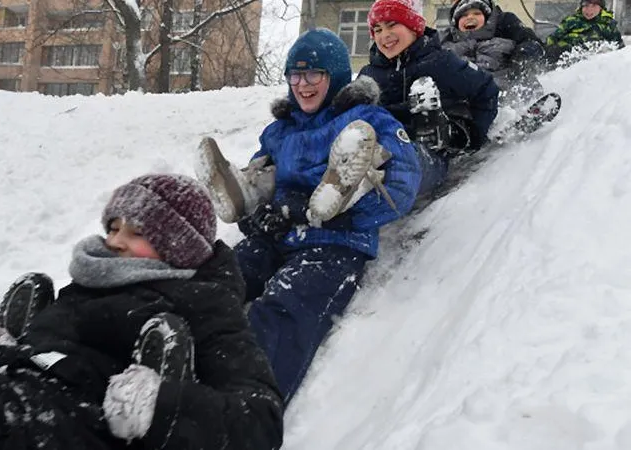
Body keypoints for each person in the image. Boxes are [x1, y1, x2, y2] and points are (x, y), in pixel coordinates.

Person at [0, 174, 284, 450]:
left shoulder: (206, 304)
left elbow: (260, 420)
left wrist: (158, 405)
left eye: (136, 231)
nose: (115, 241)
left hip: (71, 426)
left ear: (177, 247)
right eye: (113, 226)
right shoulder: (93, 279)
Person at [196, 28, 422, 405]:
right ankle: (246, 194)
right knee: (217, 284)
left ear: (334, 76)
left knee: (282, 309)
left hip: (336, 240)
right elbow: (267, 165)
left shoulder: (369, 118)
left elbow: (404, 183)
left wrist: (339, 217)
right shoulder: (280, 129)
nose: (302, 84)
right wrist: (257, 217)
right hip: (279, 231)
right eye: (295, 75)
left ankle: (242, 409)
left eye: (313, 74)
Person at [358, 0, 500, 194]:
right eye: (377, 29)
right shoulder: (370, 74)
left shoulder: (440, 62)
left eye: (392, 25)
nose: (385, 35)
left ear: (413, 27)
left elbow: (486, 90)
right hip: (380, 149)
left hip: (427, 155)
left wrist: (473, 134)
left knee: (406, 163)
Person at [440, 0, 545, 104]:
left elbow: (531, 43)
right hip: (464, 101)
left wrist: (521, 57)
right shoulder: (447, 43)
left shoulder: (504, 26)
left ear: (487, 18)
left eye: (477, 13)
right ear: (456, 23)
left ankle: (528, 106)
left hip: (504, 89)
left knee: (524, 72)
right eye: (463, 15)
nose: (470, 17)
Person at [546, 0, 625, 63]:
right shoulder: (572, 21)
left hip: (590, 61)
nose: (589, 10)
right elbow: (553, 37)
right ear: (581, 7)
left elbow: (620, 49)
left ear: (601, 8)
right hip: (562, 56)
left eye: (594, 6)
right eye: (586, 6)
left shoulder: (607, 25)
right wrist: (551, 49)